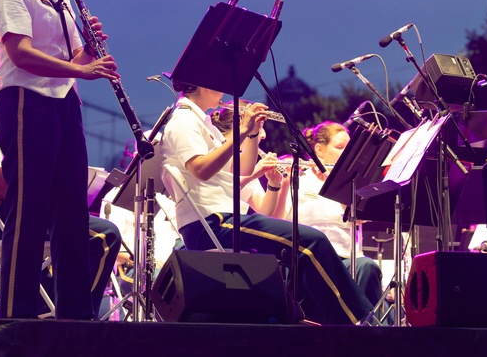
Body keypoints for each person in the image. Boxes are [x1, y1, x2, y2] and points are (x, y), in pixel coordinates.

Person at [0, 19, 120, 315]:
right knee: (103, 236)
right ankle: (75, 324)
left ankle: (56, 313)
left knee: (79, 227)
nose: (3, 53)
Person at [0, 0, 120, 319]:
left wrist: (91, 50)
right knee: (29, 209)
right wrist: (83, 69)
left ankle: (75, 316)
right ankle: (15, 315)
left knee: (72, 212)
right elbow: (21, 54)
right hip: (26, 101)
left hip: (63, 102)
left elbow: (74, 54)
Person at [158, 81, 373, 325]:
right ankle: (358, 324)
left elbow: (240, 169)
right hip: (209, 223)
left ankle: (322, 323)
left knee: (301, 247)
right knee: (311, 241)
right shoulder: (183, 121)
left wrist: (251, 134)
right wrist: (240, 131)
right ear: (203, 85)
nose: (225, 90)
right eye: (218, 84)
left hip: (223, 220)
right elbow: (201, 169)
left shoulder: (202, 123)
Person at [278, 122, 384, 310]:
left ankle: (370, 329)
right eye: (340, 148)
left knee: (369, 267)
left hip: (347, 258)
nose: (346, 154)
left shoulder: (352, 186)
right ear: (319, 149)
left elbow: (357, 219)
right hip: (309, 258)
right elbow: (278, 219)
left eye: (348, 149)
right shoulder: (298, 180)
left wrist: (335, 185)